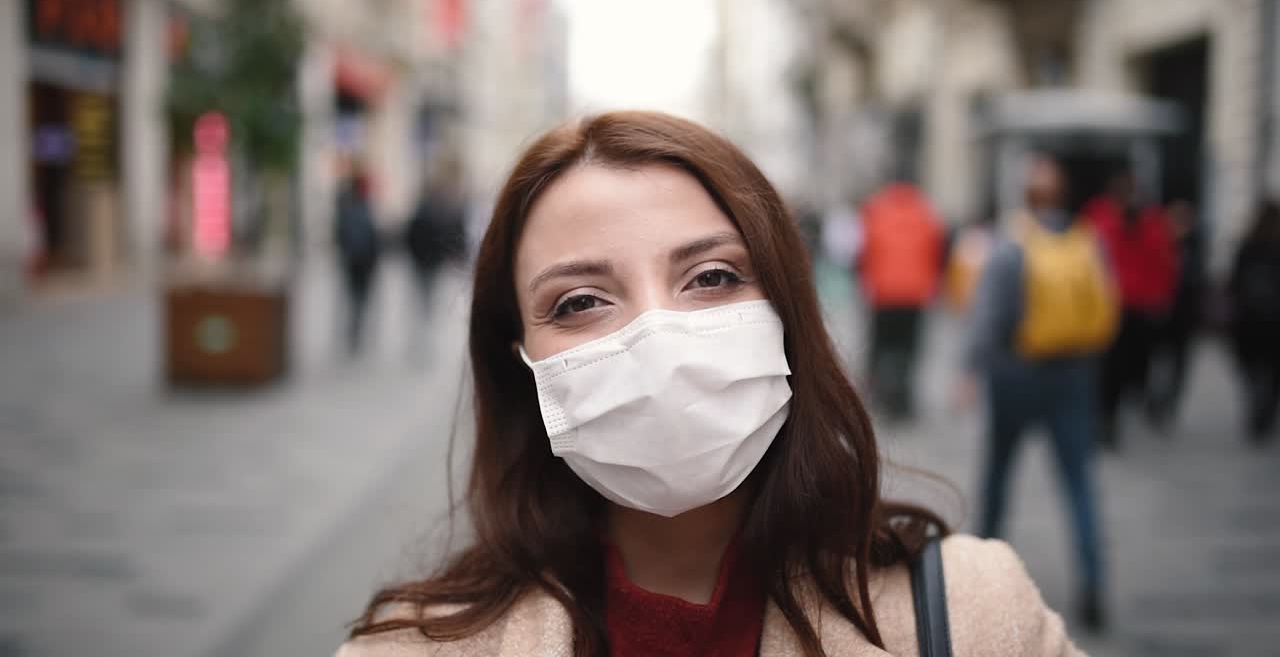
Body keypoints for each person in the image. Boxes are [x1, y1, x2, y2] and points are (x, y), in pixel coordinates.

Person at [337, 112, 1082, 657]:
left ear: (787, 309)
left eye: (713, 277)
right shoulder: (407, 648)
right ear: (520, 362)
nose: (658, 339)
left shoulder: (977, 614)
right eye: (579, 302)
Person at [960, 156, 1117, 634]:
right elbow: (1109, 306)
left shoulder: (1013, 246)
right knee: (1079, 484)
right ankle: (1093, 587)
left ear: (1027, 199)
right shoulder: (1086, 242)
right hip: (1073, 373)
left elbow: (988, 316)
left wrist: (971, 369)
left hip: (1017, 375)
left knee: (998, 478)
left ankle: (978, 586)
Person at [1083, 169, 1178, 447]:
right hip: (1114, 306)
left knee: (1131, 365)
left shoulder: (1147, 222)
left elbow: (1163, 263)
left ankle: (1117, 410)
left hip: (1138, 306)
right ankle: (1108, 417)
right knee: (1111, 368)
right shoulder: (1102, 219)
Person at [857, 177, 944, 420]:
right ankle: (904, 400)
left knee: (879, 348)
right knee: (908, 350)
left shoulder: (876, 211)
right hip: (915, 295)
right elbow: (937, 252)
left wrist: (867, 282)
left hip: (883, 294)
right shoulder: (925, 214)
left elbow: (865, 251)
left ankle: (877, 396)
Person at [1148, 200, 1206, 428]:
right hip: (1159, 313)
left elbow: (1197, 282)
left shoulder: (1194, 245)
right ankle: (1154, 401)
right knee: (1157, 362)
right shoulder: (1159, 242)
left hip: (1183, 317)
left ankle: (1168, 403)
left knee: (1179, 364)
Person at [405, 154, 469, 361]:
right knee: (427, 300)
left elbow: (412, 235)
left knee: (424, 300)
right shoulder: (439, 210)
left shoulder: (426, 210)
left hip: (424, 262)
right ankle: (423, 338)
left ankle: (422, 338)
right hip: (428, 262)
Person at [1227, 199, 1280, 444]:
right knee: (1271, 373)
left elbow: (1234, 284)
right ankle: (1264, 412)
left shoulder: (1247, 247)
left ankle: (1259, 409)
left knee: (1252, 370)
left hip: (1249, 322)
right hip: (1271, 323)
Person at [334, 162, 381, 356]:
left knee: (356, 298)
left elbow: (341, 234)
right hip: (360, 261)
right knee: (358, 298)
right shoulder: (358, 207)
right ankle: (355, 331)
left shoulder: (348, 205)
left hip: (356, 261)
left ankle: (354, 331)